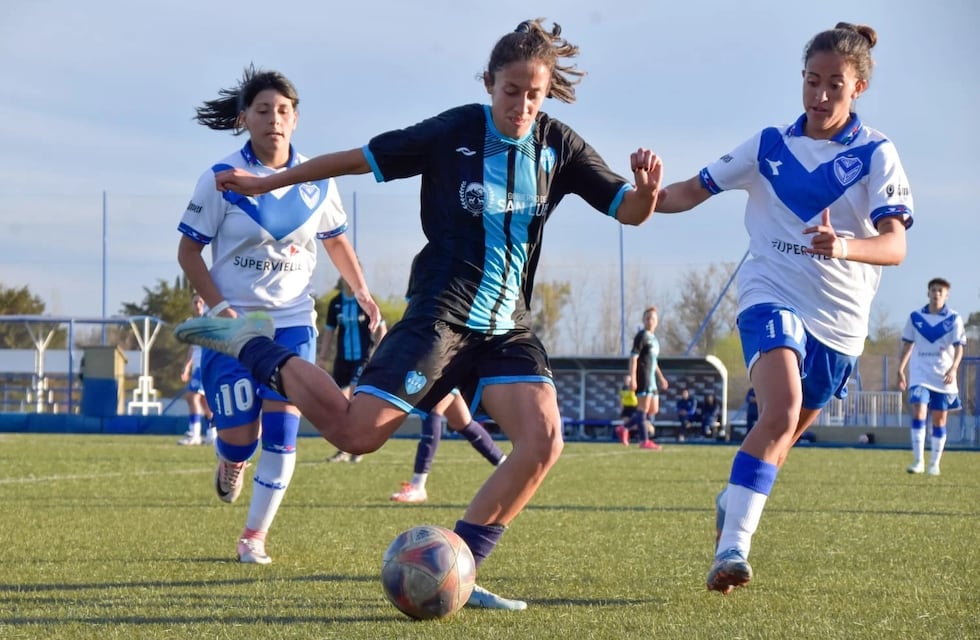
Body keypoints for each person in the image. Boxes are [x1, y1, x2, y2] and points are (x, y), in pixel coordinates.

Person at [175, 18, 662, 610]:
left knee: (543, 441)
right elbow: (355, 161)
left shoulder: (558, 144)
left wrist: (645, 193)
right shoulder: (453, 131)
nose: (522, 106)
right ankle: (248, 342)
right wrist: (265, 183)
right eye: (511, 91)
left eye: (534, 95)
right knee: (355, 433)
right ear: (489, 84)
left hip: (507, 326)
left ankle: (461, 568)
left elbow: (628, 210)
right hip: (441, 317)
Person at [654, 22, 912, 594]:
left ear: (859, 88)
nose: (820, 95)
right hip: (770, 293)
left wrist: (843, 247)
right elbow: (689, 191)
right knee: (780, 410)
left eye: (835, 85)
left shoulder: (876, 153)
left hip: (841, 324)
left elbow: (895, 246)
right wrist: (642, 197)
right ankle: (732, 549)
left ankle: (733, 501)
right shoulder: (768, 144)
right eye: (812, 81)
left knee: (782, 436)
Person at [176, 66, 381, 565]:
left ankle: (254, 537)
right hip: (232, 330)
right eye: (263, 110)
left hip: (293, 324)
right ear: (244, 118)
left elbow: (336, 241)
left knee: (284, 433)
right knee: (239, 439)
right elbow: (188, 252)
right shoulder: (221, 178)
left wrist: (362, 290)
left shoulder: (316, 180)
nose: (274, 119)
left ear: (296, 118)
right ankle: (231, 460)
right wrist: (221, 309)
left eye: (283, 110)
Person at [896, 278, 965, 476]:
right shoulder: (915, 317)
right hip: (920, 375)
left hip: (943, 377)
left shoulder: (954, 318)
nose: (936, 294)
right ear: (928, 293)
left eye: (940, 291)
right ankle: (918, 461)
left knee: (939, 420)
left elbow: (959, 348)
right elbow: (908, 345)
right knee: (919, 412)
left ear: (947, 295)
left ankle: (934, 463)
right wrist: (900, 369)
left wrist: (953, 369)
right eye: (933, 290)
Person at [390, 389, 507, 503]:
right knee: (461, 422)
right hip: (446, 376)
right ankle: (506, 465)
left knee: (433, 409)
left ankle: (417, 485)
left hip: (443, 376)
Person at [320, 277, 388, 464]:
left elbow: (382, 328)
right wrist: (323, 357)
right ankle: (343, 449)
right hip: (342, 360)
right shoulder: (336, 303)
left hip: (363, 358)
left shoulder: (367, 300)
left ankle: (357, 447)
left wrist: (380, 352)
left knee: (353, 398)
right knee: (340, 402)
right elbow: (329, 331)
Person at [616, 307, 668, 450]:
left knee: (653, 409)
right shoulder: (641, 336)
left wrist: (661, 377)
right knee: (643, 409)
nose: (650, 321)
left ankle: (624, 427)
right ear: (644, 320)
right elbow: (633, 358)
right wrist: (633, 378)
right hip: (643, 376)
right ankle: (644, 441)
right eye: (647, 318)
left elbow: (654, 361)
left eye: (653, 318)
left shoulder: (654, 339)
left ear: (657, 321)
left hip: (652, 378)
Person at [177, 293, 217, 446]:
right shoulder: (191, 323)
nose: (198, 305)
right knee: (204, 402)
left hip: (204, 365)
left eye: (201, 302)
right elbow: (192, 347)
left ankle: (194, 433)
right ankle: (212, 434)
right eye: (195, 302)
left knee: (191, 397)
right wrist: (187, 366)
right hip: (197, 366)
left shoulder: (210, 322)